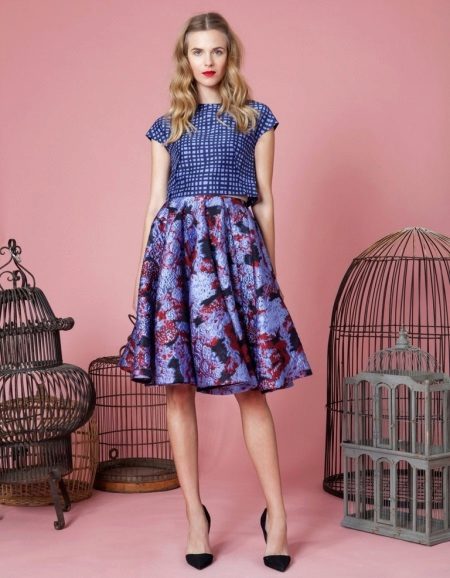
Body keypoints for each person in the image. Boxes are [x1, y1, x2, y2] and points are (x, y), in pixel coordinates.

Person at [118, 11, 312, 572]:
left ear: (231, 56)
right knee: (178, 390)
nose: (208, 61)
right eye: (198, 51)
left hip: (237, 260)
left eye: (217, 51)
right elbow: (154, 205)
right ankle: (194, 519)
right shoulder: (166, 126)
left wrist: (267, 278)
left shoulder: (256, 119)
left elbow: (265, 201)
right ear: (185, 58)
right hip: (176, 262)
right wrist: (144, 283)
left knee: (250, 390)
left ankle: (277, 518)